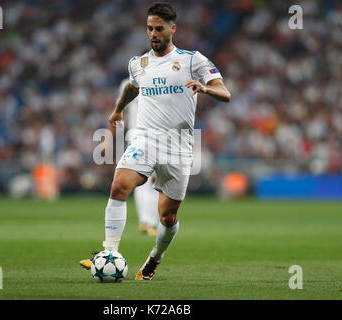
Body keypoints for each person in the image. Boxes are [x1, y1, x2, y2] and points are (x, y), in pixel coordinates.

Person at [79, 2, 231, 280]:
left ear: (172, 29)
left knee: (167, 218)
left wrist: (204, 88)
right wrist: (118, 109)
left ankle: (155, 257)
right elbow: (132, 87)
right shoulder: (139, 64)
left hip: (178, 148)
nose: (153, 33)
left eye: (159, 28)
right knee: (118, 186)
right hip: (145, 139)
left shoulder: (192, 60)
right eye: (149, 28)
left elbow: (226, 93)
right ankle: (109, 252)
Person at [119, 77, 159, 237]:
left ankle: (145, 221)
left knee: (141, 181)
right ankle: (152, 222)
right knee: (155, 181)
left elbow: (121, 109)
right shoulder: (161, 79)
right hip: (154, 135)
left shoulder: (127, 82)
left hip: (135, 134)